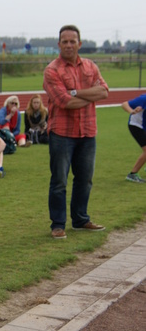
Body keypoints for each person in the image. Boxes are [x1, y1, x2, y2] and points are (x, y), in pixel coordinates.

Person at [43, 25, 109, 239]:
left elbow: (104, 92)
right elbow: (65, 102)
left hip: (87, 132)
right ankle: (58, 225)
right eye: (65, 41)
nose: (69, 45)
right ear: (59, 44)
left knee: (85, 179)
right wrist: (90, 95)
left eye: (73, 41)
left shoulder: (91, 66)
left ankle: (81, 219)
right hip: (61, 133)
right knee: (59, 180)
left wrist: (75, 92)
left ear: (79, 44)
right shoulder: (52, 70)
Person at [121, 95, 146, 183]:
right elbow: (124, 104)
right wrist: (132, 111)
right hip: (136, 126)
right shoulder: (144, 98)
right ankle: (132, 174)